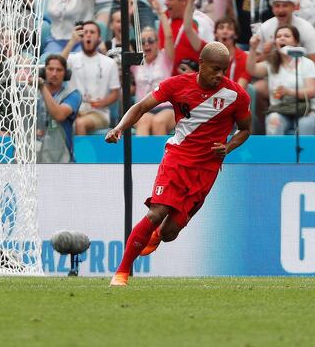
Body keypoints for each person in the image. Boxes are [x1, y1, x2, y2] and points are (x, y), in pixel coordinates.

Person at [106, 41, 251, 286]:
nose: (220, 75)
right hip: (178, 158)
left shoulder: (236, 96)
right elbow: (142, 107)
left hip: (206, 168)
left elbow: (246, 129)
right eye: (215, 69)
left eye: (224, 70)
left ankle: (158, 235)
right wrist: (119, 128)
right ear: (201, 64)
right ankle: (121, 273)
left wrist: (228, 147)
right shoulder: (176, 85)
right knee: (156, 212)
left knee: (170, 232)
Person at [247, 25, 315, 136]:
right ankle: (276, 154)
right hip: (280, 109)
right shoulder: (272, 63)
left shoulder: (307, 63)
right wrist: (253, 48)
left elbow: (312, 91)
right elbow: (251, 69)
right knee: (273, 120)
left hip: (305, 111)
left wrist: (289, 92)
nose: (282, 38)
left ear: (295, 42)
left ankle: (305, 153)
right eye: (278, 36)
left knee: (304, 124)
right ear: (276, 43)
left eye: (287, 36)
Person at [61, 21, 120, 135]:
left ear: (99, 38)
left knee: (80, 123)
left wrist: (103, 102)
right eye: (85, 32)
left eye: (92, 32)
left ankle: (80, 153)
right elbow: (57, 65)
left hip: (98, 112)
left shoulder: (109, 63)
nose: (88, 35)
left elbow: (115, 93)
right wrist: (72, 41)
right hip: (74, 110)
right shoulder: (73, 58)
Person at [36, 54, 82, 162]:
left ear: (66, 73)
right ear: (43, 71)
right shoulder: (33, 93)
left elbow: (59, 115)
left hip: (62, 159)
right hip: (36, 157)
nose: (54, 74)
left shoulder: (73, 94)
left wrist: (42, 87)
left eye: (59, 70)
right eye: (50, 69)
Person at [131, 25, 175, 135]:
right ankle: (139, 153)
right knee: (144, 121)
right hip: (143, 107)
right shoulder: (136, 62)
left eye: (150, 40)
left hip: (166, 107)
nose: (146, 44)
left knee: (158, 122)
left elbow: (169, 36)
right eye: (142, 41)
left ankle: (162, 153)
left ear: (157, 43)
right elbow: (122, 36)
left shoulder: (165, 57)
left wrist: (161, 12)